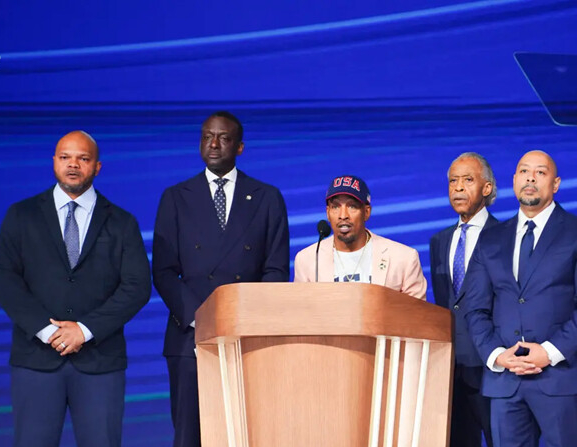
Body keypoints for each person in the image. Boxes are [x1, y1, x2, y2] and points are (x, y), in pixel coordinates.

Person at [0, 130, 152, 447]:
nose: (73, 165)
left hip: (100, 363)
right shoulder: (21, 215)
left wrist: (85, 330)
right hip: (35, 360)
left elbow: (137, 287)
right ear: (54, 162)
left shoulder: (122, 222)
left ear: (98, 167)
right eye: (65, 157)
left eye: (83, 158)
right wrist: (45, 331)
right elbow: (2, 277)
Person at [152, 111, 290, 447]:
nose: (214, 144)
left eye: (224, 138)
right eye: (207, 136)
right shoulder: (176, 196)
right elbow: (164, 270)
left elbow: (275, 270)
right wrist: (200, 319)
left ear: (240, 147)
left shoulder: (266, 197)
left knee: (247, 433)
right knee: (189, 435)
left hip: (246, 337)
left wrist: (245, 319)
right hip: (189, 336)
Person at [464, 150, 577, 447]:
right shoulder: (490, 239)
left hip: (560, 377)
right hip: (505, 380)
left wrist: (549, 351)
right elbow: (475, 307)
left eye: (540, 172)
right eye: (524, 171)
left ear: (555, 184)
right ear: (514, 180)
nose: (530, 177)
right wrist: (496, 355)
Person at [429, 152, 496, 447]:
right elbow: (447, 302)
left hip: (492, 367)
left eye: (468, 180)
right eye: (453, 181)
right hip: (450, 371)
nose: (458, 188)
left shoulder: (504, 236)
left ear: (487, 188)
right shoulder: (439, 241)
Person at [294, 174, 426, 298]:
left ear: (367, 212)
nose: (343, 215)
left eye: (352, 206)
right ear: (328, 213)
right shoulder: (308, 260)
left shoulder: (403, 258)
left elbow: (419, 316)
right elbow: (300, 315)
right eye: (335, 207)